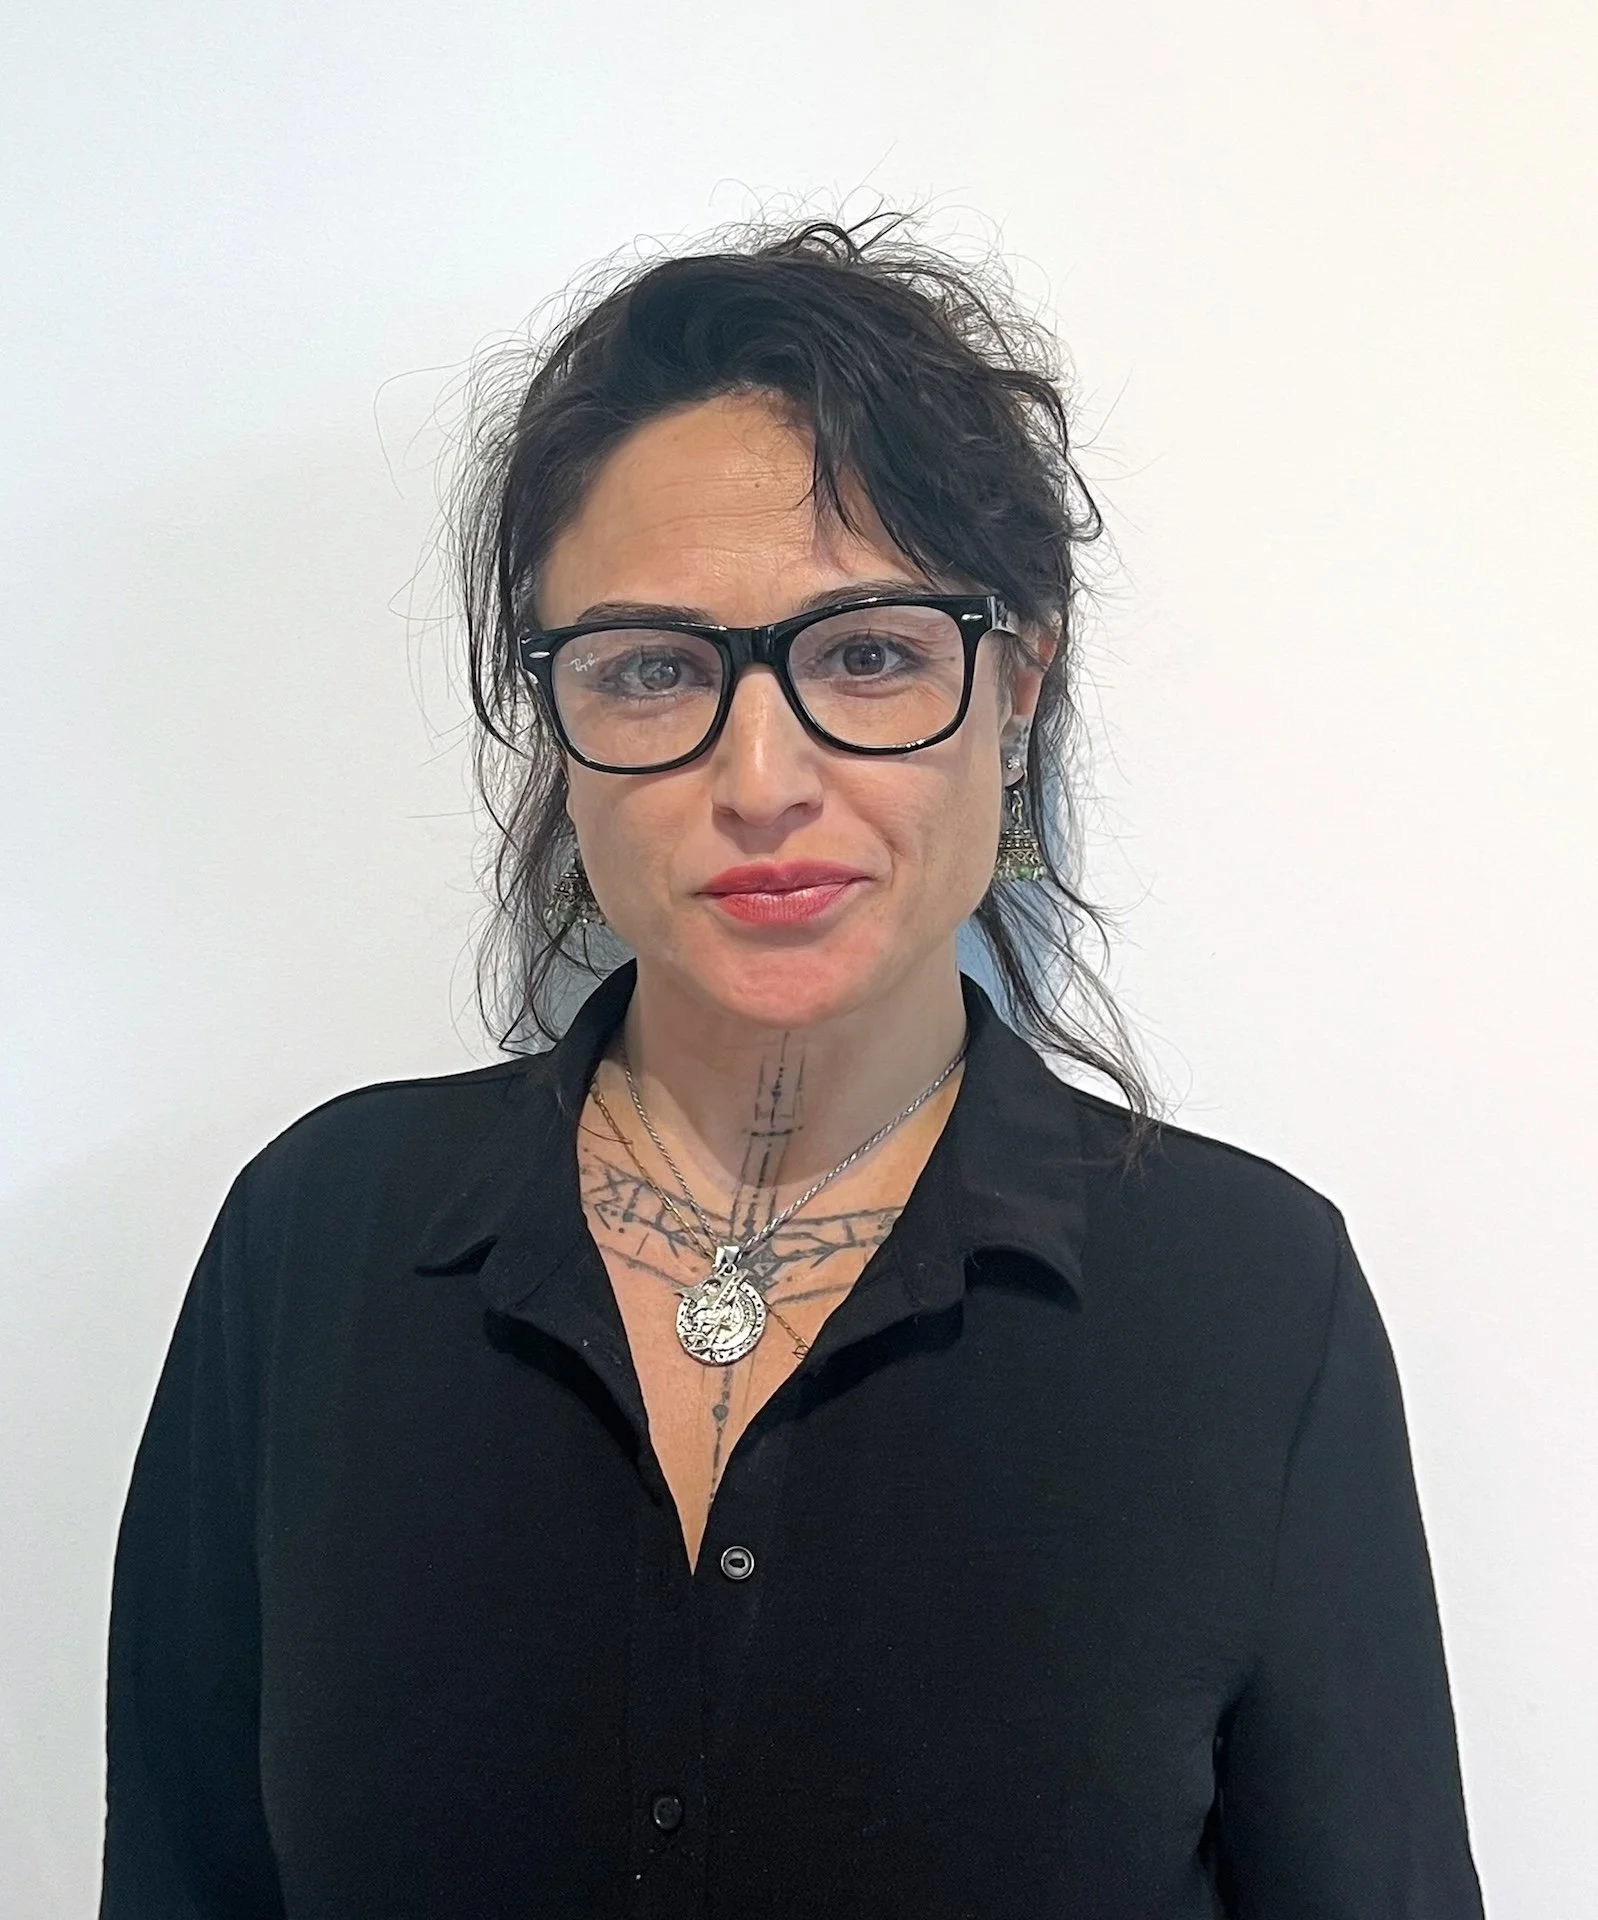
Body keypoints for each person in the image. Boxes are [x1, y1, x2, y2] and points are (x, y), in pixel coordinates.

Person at [98, 214, 1486, 1918]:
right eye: (655, 667)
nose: (761, 777)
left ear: (1017, 686)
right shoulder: (319, 1240)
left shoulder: (1247, 1293)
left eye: (871, 652)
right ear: (562, 722)